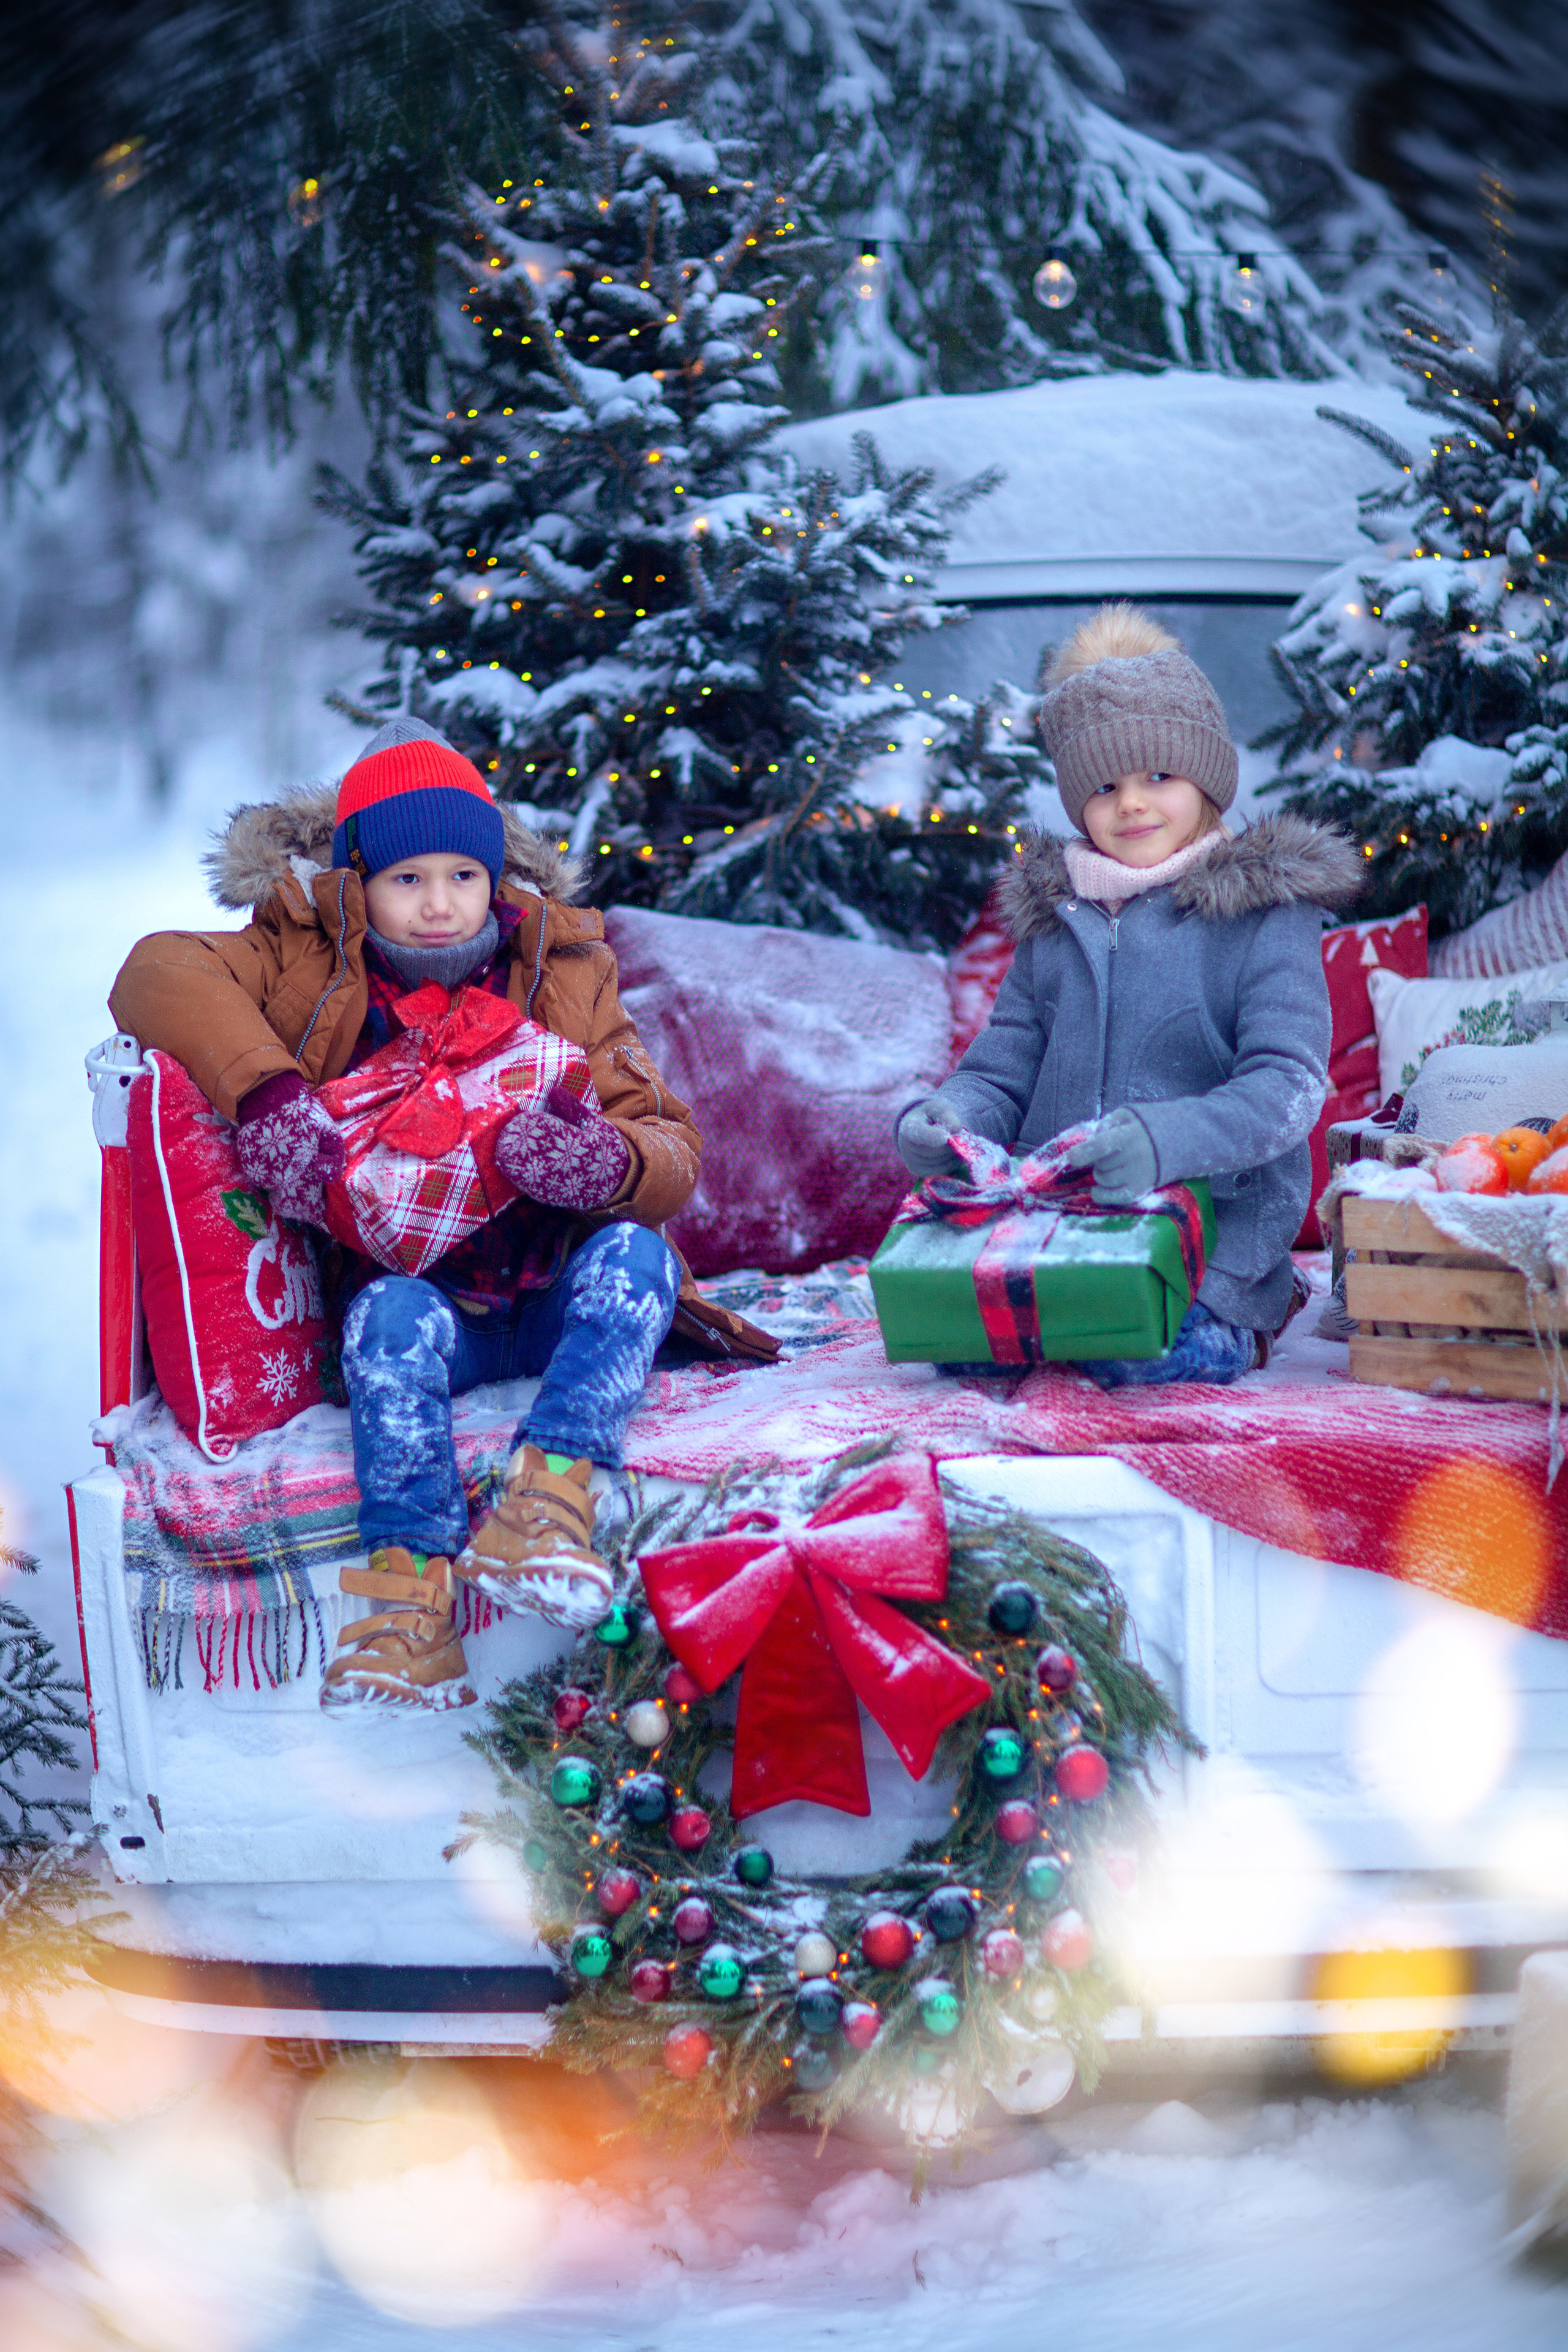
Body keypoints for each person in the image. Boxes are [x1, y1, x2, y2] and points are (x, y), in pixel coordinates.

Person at [111, 717, 774, 1711]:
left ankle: (547, 1500)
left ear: (495, 876)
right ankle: (409, 1599)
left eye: (463, 875)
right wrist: (271, 1095)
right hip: (426, 1305)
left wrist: (605, 1163)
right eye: (408, 878)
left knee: (637, 1261)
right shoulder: (304, 954)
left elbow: (671, 1147)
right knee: (386, 1324)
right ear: (358, 883)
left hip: (555, 1294)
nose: (439, 904)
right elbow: (154, 972)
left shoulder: (561, 966)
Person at [895, 604, 1361, 1385]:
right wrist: (950, 1122)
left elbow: (1286, 1091)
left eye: (1159, 776)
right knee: (962, 1349)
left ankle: (1255, 1318)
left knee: (1131, 1352)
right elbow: (999, 1072)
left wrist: (1163, 1142)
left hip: (1209, 1252)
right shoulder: (1055, 926)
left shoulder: (1263, 918)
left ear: (1206, 779)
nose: (1133, 804)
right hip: (1059, 1234)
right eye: (1105, 785)